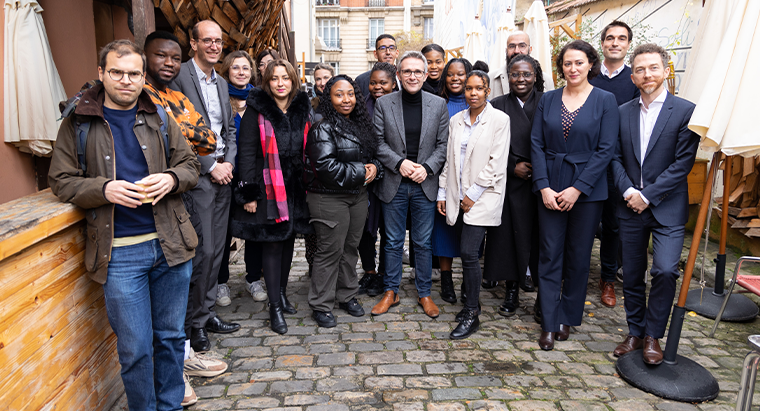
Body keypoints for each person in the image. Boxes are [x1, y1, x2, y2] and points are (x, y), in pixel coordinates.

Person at [49, 39, 201, 410]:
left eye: (134, 74)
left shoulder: (160, 115)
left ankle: (169, 405)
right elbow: (61, 180)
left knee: (169, 339)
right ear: (101, 73)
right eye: (116, 72)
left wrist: (171, 179)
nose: (126, 80)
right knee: (134, 349)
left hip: (171, 246)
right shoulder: (78, 121)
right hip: (119, 253)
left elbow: (191, 165)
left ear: (142, 76)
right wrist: (104, 188)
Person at [142, 30, 228, 406]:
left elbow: (206, 137)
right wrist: (179, 130)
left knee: (183, 273)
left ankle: (183, 356)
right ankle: (171, 370)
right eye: (161, 56)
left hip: (176, 195)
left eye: (173, 58)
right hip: (143, 207)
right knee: (159, 289)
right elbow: (180, 133)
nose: (168, 63)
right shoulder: (140, 94)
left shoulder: (175, 95)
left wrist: (178, 130)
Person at [610, 44, 700, 365]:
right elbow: (615, 158)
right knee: (632, 273)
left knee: (664, 270)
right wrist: (629, 191)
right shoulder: (622, 112)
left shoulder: (686, 111)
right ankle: (635, 331)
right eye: (640, 69)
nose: (646, 74)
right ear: (632, 76)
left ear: (665, 71)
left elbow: (682, 164)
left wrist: (647, 195)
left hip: (668, 208)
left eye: (652, 68)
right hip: (629, 207)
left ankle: (653, 335)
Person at [531, 40, 619, 351]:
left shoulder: (605, 100)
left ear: (591, 65)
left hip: (588, 190)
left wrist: (577, 188)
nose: (573, 69)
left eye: (579, 63)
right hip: (550, 187)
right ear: (561, 67)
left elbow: (606, 150)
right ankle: (549, 321)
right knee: (549, 253)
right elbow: (537, 144)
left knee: (579, 257)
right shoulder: (548, 99)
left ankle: (569, 315)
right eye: (567, 64)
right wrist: (543, 185)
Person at [170, 20, 241, 353]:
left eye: (219, 41)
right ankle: (193, 325)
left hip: (223, 176)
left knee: (217, 253)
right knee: (203, 252)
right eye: (208, 40)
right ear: (193, 43)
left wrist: (227, 163)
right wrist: (211, 166)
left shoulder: (222, 83)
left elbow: (229, 130)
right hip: (197, 179)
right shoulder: (179, 77)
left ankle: (207, 312)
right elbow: (176, 133)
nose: (215, 46)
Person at [230, 59, 313, 334]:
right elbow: (247, 151)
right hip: (269, 188)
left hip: (295, 187)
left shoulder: (303, 107)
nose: (280, 83)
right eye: (275, 78)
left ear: (293, 81)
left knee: (288, 241)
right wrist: (249, 193)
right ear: (267, 82)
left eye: (285, 78)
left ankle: (283, 293)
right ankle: (274, 307)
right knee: (273, 244)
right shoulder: (257, 109)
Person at [371, 51, 449, 319]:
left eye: (418, 71)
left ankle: (424, 293)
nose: (413, 76)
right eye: (407, 71)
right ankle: (390, 291)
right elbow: (377, 143)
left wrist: (426, 168)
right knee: (391, 241)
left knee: (423, 242)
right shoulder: (384, 104)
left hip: (424, 184)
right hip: (394, 182)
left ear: (426, 75)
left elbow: (442, 145)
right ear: (398, 75)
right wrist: (399, 163)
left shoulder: (438, 105)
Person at [305, 74, 384, 327]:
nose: (346, 99)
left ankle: (346, 295)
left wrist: (375, 168)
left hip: (357, 196)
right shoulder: (322, 127)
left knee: (350, 249)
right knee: (329, 251)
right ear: (328, 98)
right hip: (329, 198)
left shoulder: (361, 124)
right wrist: (364, 171)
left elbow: (374, 156)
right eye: (339, 94)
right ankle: (320, 304)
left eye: (350, 93)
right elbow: (326, 167)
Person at [437, 71, 511, 339]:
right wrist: (442, 193)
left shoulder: (500, 120)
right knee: (466, 252)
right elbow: (449, 159)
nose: (473, 93)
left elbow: (497, 162)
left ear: (488, 91)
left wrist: (473, 193)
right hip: (457, 193)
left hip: (484, 194)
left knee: (469, 252)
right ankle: (472, 302)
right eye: (469, 89)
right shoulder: (456, 120)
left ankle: (471, 312)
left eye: (479, 88)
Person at [486, 54, 544, 318]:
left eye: (526, 74)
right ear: (507, 77)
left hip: (541, 182)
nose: (521, 79)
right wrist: (512, 166)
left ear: (535, 76)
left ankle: (540, 291)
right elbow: (487, 146)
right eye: (515, 74)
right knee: (508, 238)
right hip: (509, 182)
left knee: (540, 238)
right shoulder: (496, 104)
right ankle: (511, 290)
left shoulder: (548, 101)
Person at [589, 20, 641, 308]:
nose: (615, 43)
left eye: (621, 38)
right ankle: (573, 272)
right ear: (603, 43)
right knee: (582, 221)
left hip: (617, 164)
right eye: (610, 38)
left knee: (612, 224)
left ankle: (607, 277)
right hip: (586, 161)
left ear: (628, 45)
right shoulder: (588, 76)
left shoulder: (634, 80)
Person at [215, 50, 269, 304]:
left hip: (252, 174)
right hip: (223, 174)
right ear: (227, 70)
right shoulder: (218, 97)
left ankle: (252, 278)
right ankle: (221, 282)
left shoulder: (259, 100)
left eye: (245, 68)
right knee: (223, 231)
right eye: (235, 68)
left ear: (252, 72)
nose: (240, 72)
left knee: (253, 227)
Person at [434, 57, 472, 304]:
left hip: (472, 181)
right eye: (451, 74)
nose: (456, 78)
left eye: (461, 74)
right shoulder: (439, 105)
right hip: (444, 179)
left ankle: (469, 283)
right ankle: (446, 280)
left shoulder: (483, 106)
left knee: (470, 233)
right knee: (444, 231)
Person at [358, 62, 397, 297]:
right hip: (365, 178)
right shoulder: (361, 107)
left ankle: (384, 273)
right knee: (365, 228)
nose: (377, 87)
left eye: (383, 82)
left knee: (388, 228)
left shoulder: (399, 106)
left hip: (391, 176)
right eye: (373, 82)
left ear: (393, 84)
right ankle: (369, 271)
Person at [488, 31, 532, 99]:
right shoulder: (490, 79)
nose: (516, 51)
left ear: (530, 49)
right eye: (512, 46)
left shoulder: (545, 80)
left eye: (522, 46)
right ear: (506, 50)